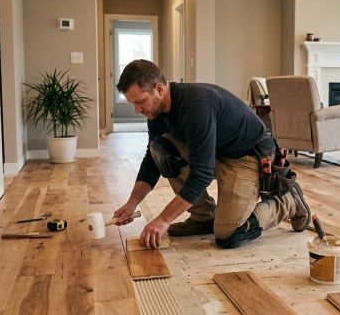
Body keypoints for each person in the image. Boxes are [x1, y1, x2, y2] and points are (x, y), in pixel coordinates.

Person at [112, 59, 311, 249]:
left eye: (140, 102)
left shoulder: (195, 106)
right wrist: (132, 203)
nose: (137, 110)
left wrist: (164, 219)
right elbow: (151, 161)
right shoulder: (156, 113)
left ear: (159, 89)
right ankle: (203, 217)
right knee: (160, 149)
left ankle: (289, 202)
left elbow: (202, 173)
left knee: (229, 234)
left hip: (249, 157)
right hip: (219, 151)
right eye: (133, 104)